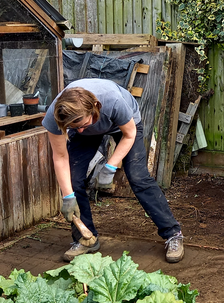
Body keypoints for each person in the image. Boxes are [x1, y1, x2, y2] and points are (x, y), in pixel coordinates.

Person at [42, 78, 184, 263]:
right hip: (88, 121)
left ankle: (173, 233)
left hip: (123, 126)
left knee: (138, 177)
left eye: (82, 125)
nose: (81, 131)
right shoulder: (57, 116)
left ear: (95, 107)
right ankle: (86, 239)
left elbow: (130, 134)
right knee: (73, 181)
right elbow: (60, 157)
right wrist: (68, 197)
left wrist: (110, 167)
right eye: (74, 127)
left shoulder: (113, 101)